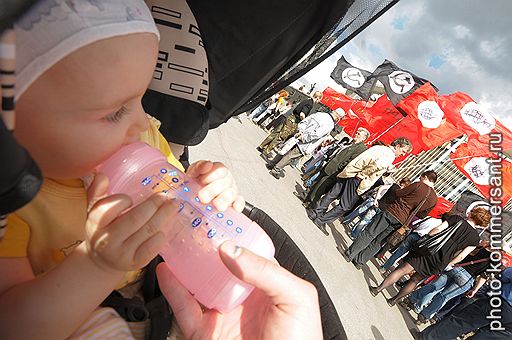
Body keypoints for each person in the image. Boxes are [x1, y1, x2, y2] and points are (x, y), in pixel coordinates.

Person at [0, 2, 321, 338]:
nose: (141, 122)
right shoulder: (15, 205)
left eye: (141, 97)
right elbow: (12, 324)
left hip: (167, 288)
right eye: (113, 113)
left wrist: (210, 186)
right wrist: (97, 264)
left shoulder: (146, 138)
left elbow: (182, 198)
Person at [370, 207, 489, 307]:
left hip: (429, 250)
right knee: (415, 280)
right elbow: (462, 256)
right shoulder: (475, 239)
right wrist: (449, 264)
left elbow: (437, 229)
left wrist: (428, 237)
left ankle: (378, 289)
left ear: (474, 214)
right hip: (442, 260)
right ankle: (394, 300)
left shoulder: (457, 219)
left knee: (403, 269)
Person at [309, 138, 413, 234]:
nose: (402, 155)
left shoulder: (380, 147)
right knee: (346, 205)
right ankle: (321, 220)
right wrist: (363, 175)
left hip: (352, 171)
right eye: (403, 151)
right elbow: (375, 166)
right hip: (359, 177)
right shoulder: (390, 155)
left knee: (333, 193)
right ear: (398, 146)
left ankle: (316, 212)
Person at [343, 170, 438, 268]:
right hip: (402, 221)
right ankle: (360, 261)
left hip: (393, 211)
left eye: (421, 177)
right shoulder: (434, 199)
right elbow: (422, 215)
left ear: (425, 177)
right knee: (380, 241)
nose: (419, 179)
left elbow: (399, 193)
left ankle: (350, 254)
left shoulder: (418, 185)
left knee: (370, 233)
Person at [414, 267, 512, 340]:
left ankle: (428, 337)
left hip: (501, 302)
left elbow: (504, 275)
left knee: (463, 322)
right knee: (488, 337)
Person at [299, 127, 371, 208]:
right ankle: (306, 198)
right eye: (357, 132)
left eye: (359, 134)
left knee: (321, 186)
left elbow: (350, 161)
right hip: (330, 165)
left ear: (363, 138)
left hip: (335, 170)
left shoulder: (361, 148)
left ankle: (311, 203)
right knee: (317, 182)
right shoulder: (352, 143)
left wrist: (339, 169)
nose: (356, 134)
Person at [267, 108, 344, 179]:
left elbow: (306, 121)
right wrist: (304, 137)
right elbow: (316, 134)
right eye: (340, 118)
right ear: (338, 117)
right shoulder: (330, 124)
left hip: (299, 135)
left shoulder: (320, 113)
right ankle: (276, 169)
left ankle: (272, 163)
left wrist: (300, 131)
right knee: (290, 156)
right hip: (306, 143)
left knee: (286, 149)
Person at [257, 91, 323, 156]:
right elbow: (302, 114)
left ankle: (261, 146)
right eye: (320, 99)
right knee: (281, 137)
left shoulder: (307, 100)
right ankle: (266, 151)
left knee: (276, 132)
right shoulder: (310, 104)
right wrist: (305, 120)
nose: (319, 101)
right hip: (293, 121)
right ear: (317, 98)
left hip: (290, 117)